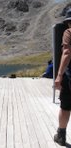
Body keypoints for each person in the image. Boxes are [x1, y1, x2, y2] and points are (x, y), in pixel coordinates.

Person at [55, 9, 71, 146]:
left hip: (70, 77)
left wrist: (59, 76)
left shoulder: (69, 32)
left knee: (65, 106)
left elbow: (66, 52)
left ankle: (61, 136)